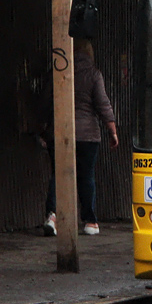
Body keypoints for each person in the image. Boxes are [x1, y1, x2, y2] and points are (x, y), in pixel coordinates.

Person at [44, 38, 118, 236]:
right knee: (86, 177)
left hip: (59, 132)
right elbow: (103, 104)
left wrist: (44, 129)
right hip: (87, 136)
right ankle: (90, 222)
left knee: (58, 175)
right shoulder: (93, 74)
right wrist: (112, 130)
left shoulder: (57, 72)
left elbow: (46, 102)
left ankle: (52, 217)